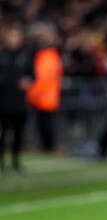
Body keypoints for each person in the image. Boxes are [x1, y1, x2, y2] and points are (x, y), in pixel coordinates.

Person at [26, 23, 62, 153]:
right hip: (44, 95)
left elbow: (42, 77)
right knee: (43, 122)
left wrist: (34, 92)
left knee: (46, 123)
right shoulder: (46, 55)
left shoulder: (48, 56)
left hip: (45, 95)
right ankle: (47, 146)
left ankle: (49, 146)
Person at [0, 24, 32, 173]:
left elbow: (32, 75)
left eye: (16, 36)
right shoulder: (2, 56)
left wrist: (28, 81)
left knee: (19, 134)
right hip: (4, 102)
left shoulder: (24, 57)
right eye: (11, 36)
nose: (14, 40)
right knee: (3, 133)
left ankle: (16, 162)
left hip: (20, 102)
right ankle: (1, 163)